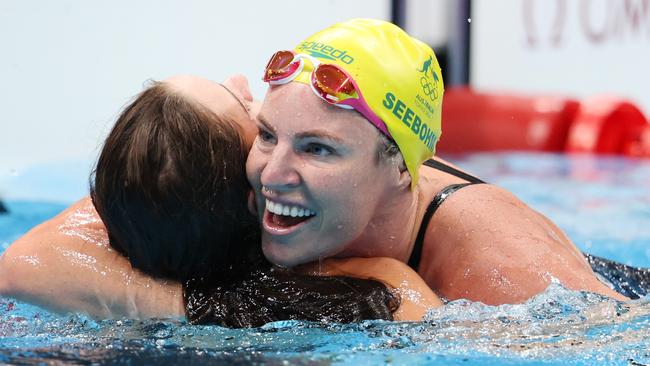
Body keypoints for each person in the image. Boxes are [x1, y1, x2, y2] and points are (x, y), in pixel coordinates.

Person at [0, 74, 441, 327]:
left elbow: (19, 269)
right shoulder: (377, 285)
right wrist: (224, 308)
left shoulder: (122, 231)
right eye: (255, 121)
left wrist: (199, 309)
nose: (240, 80)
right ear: (260, 194)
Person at [245, 18, 629, 304]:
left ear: (400, 167)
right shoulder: (280, 175)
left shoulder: (499, 266)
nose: (272, 175)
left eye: (317, 149)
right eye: (267, 135)